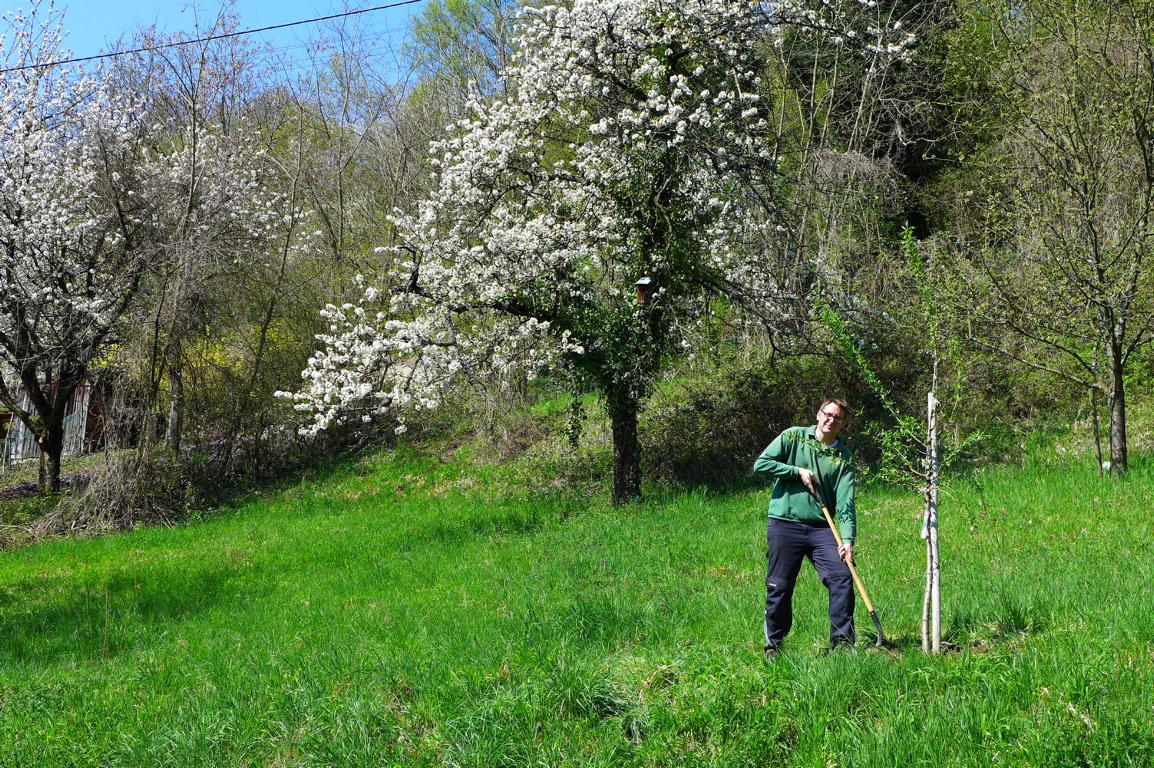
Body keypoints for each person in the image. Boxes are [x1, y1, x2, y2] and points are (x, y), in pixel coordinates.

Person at [753, 397, 857, 656]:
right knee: (780, 585)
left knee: (842, 577)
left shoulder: (842, 457)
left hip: (823, 527)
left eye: (837, 417)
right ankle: (774, 646)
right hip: (785, 523)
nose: (831, 419)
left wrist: (847, 540)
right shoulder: (793, 437)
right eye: (827, 414)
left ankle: (842, 645)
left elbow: (846, 503)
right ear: (818, 413)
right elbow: (761, 464)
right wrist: (796, 472)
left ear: (843, 424)